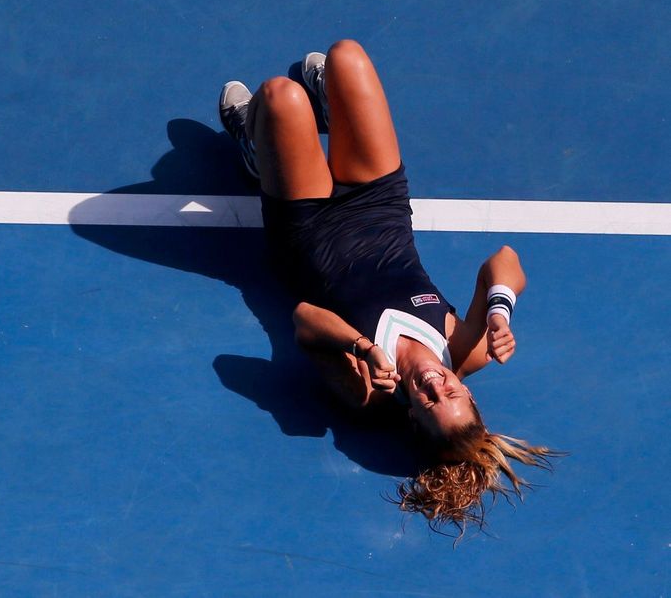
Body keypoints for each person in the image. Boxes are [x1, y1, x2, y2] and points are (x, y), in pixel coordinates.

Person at [219, 40, 555, 536]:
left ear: (415, 418)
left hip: (306, 228)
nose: (436, 388)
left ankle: (256, 150)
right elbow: (505, 260)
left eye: (430, 405)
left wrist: (358, 346)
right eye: (453, 395)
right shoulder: (467, 349)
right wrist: (501, 311)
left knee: (279, 96)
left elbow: (305, 318)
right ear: (468, 392)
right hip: (380, 204)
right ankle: (327, 116)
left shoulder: (367, 392)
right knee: (345, 57)